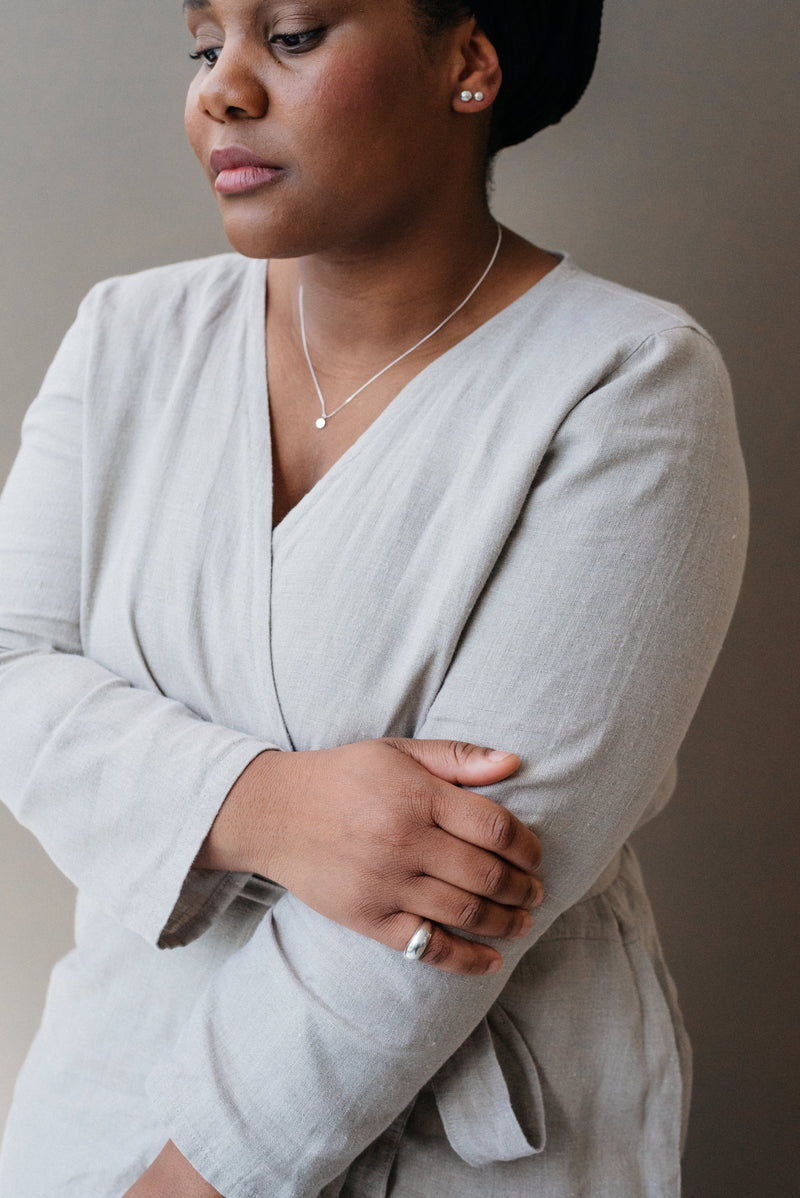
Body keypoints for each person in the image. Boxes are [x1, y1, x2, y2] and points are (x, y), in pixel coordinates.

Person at [0, 1, 748, 1195]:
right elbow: (9, 673)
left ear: (468, 62)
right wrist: (261, 803)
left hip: (456, 1150)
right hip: (97, 1105)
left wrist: (181, 1186)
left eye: (289, 36)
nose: (221, 92)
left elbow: (468, 888)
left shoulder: (626, 383)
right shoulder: (126, 337)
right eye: (205, 46)